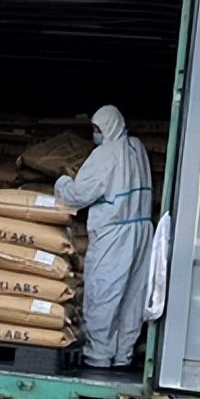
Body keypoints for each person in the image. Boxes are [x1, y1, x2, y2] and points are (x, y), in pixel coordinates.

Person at [54, 105, 153, 369]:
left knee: (103, 293)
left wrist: (62, 182)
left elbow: (79, 195)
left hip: (114, 233)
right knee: (133, 295)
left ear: (108, 127)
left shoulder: (104, 155)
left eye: (97, 129)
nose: (95, 134)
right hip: (142, 231)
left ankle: (98, 357)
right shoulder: (137, 148)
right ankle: (123, 356)